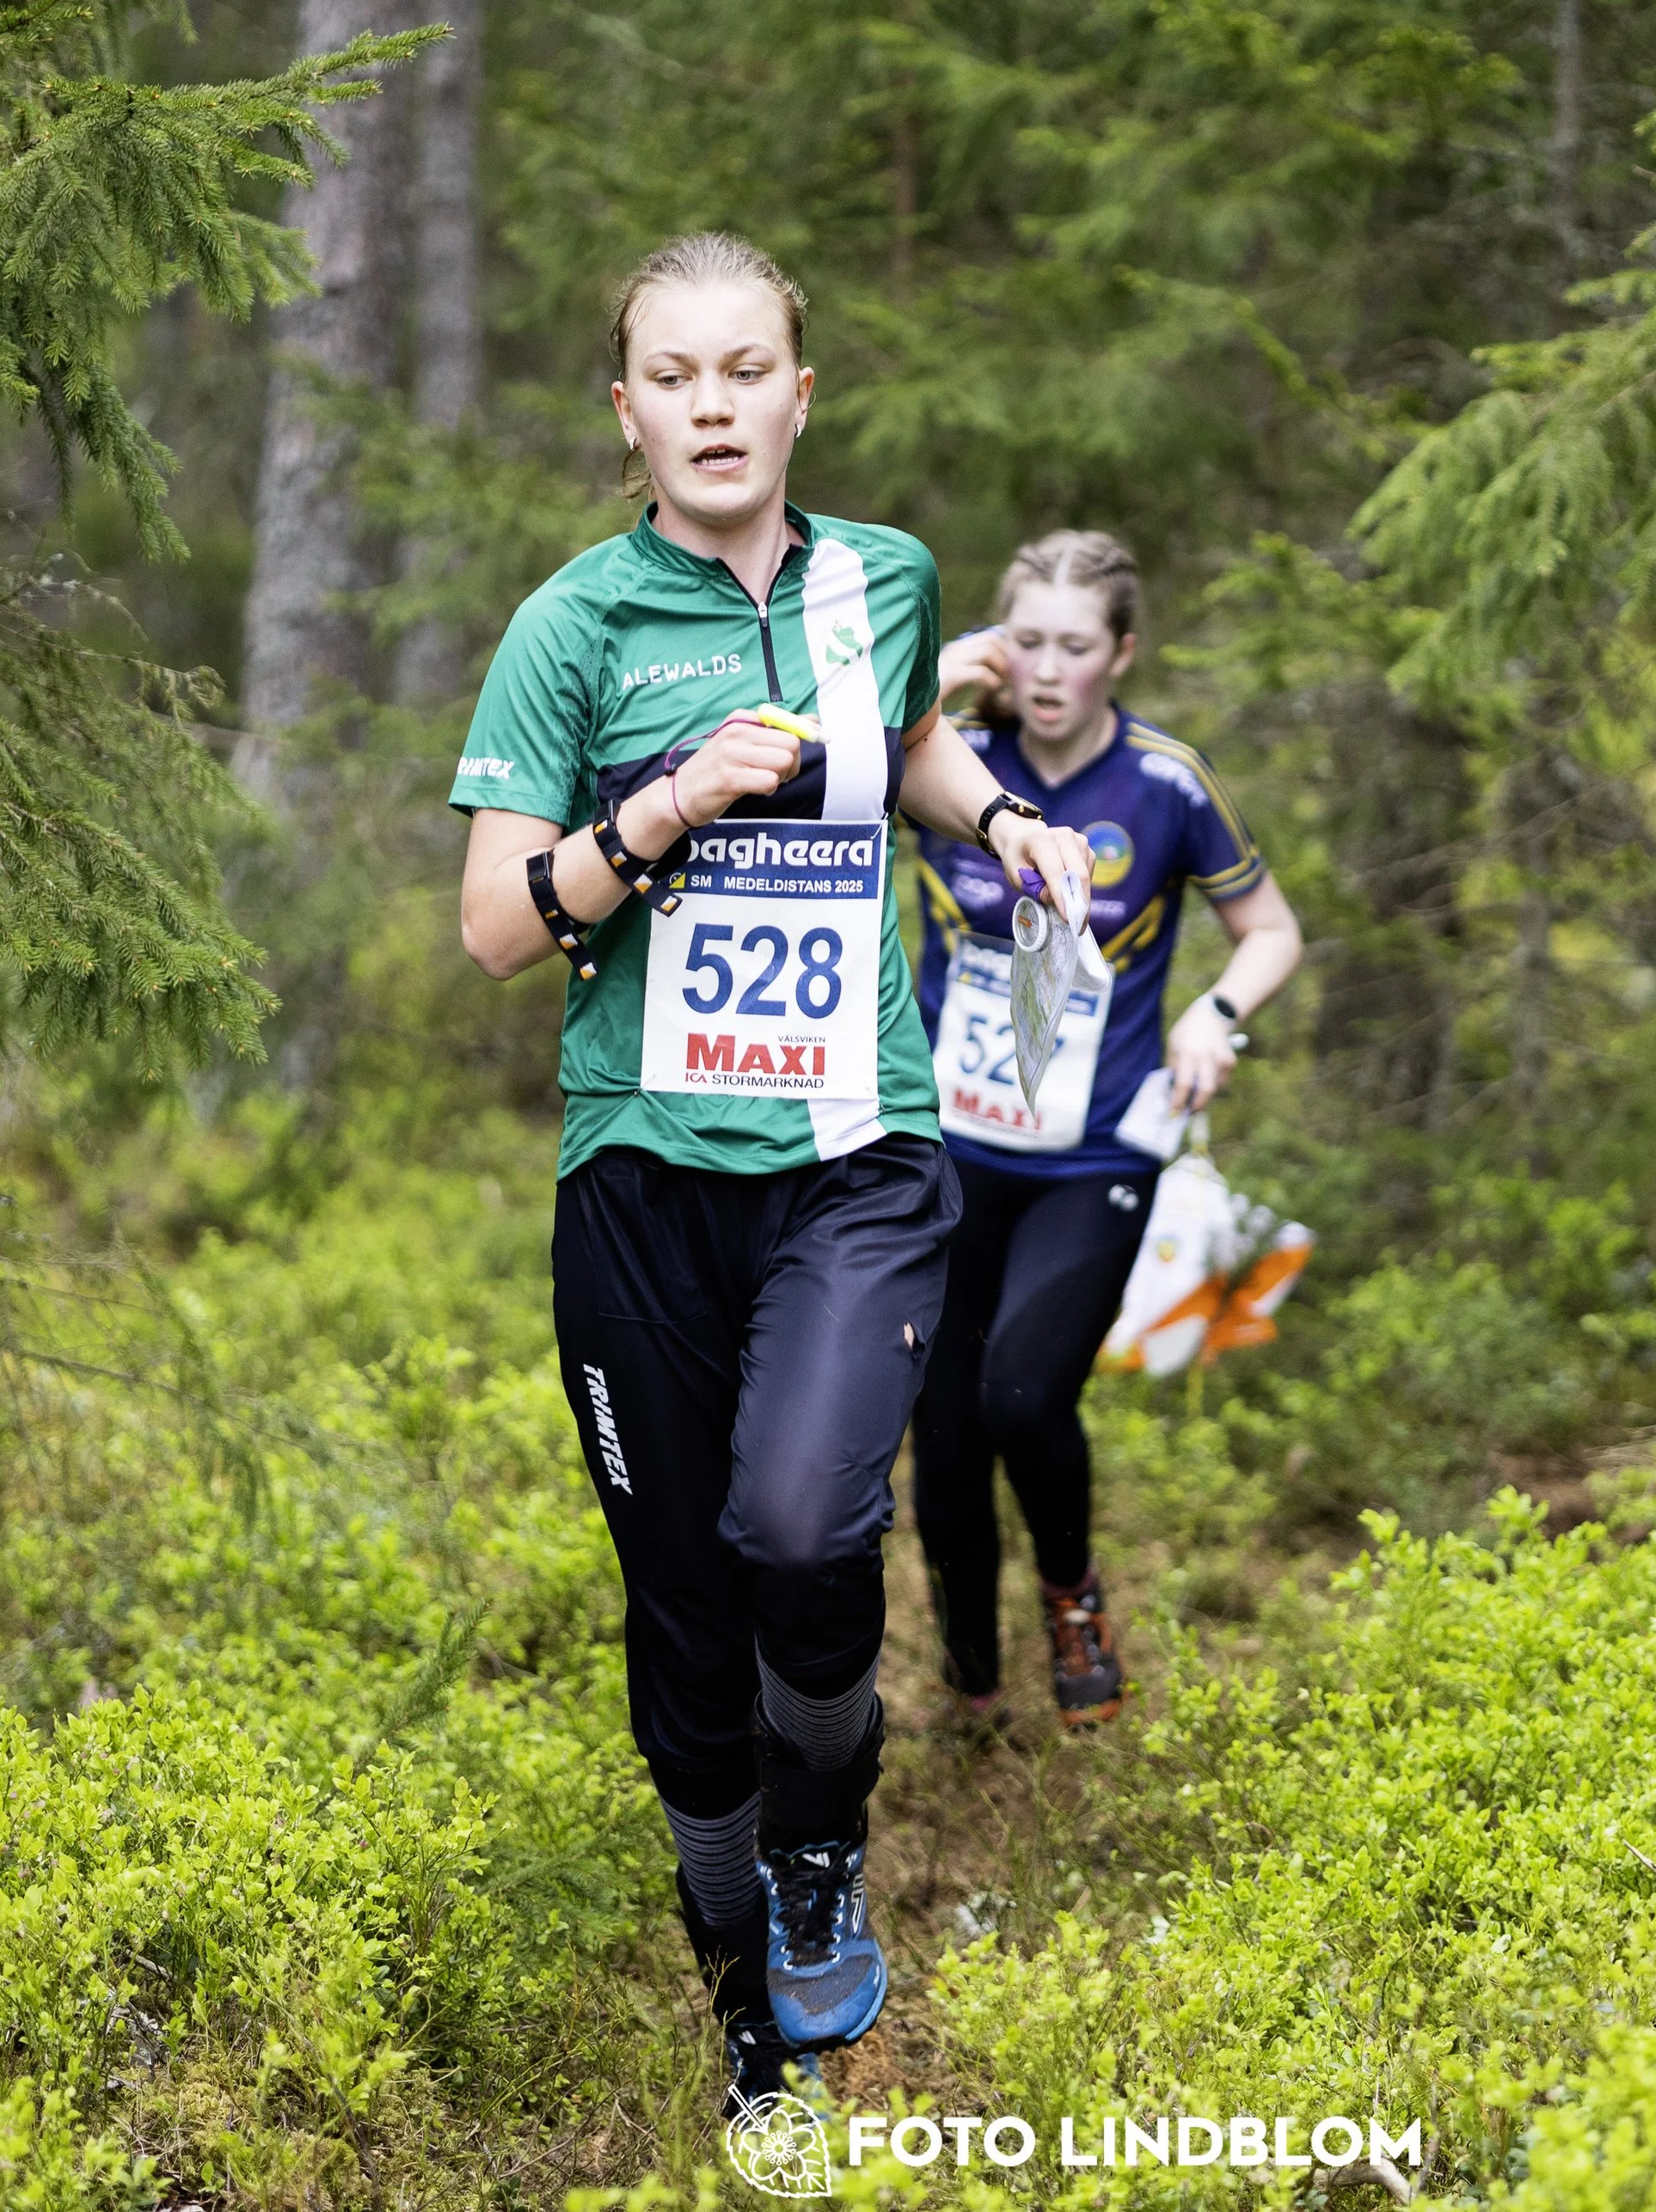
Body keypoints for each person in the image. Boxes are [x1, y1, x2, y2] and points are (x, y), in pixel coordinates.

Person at [452, 233, 1091, 2101]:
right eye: (676, 376)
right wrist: (662, 805)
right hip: (641, 1179)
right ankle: (742, 2000)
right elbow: (495, 927)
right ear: (628, 409)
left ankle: (822, 1846)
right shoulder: (572, 624)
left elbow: (906, 747)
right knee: (684, 1614)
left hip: (851, 1153)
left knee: (805, 1531)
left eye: (747, 371)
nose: (714, 406)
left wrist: (1007, 821)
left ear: (800, 397)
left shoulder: (882, 576)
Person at [910, 532, 1302, 1730]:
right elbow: (815, 764)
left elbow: (1272, 931)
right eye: (1026, 640)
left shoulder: (1167, 784)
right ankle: (972, 1682)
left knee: (1025, 1395)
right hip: (946, 1146)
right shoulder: (943, 759)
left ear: (1121, 654)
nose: (1046, 669)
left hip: (1095, 1157)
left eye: (1075, 646)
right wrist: (929, 677)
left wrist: (1215, 1017)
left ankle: (1073, 1598)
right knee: (943, 1435)